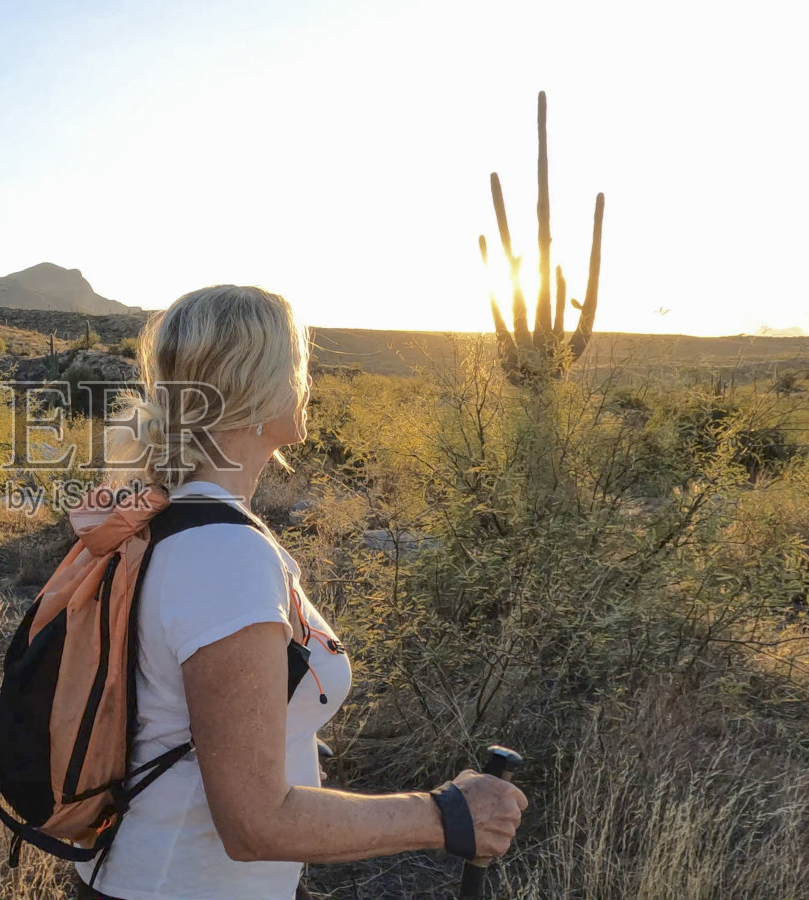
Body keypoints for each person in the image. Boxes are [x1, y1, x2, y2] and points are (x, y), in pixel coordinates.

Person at [74, 286, 528, 900]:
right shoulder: (223, 554)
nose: (306, 384)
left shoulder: (172, 519)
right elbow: (256, 823)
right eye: (297, 367)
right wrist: (447, 814)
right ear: (258, 389)